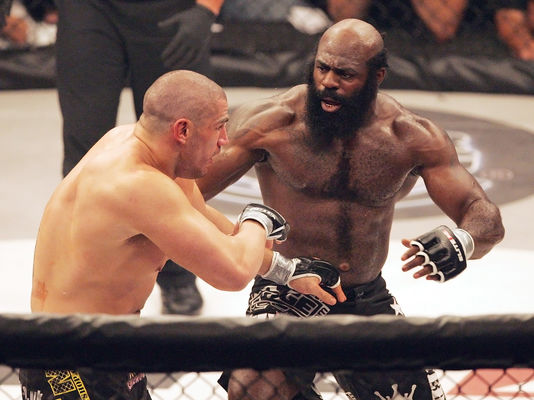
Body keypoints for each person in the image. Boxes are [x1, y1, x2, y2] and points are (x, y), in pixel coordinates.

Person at [197, 19, 505, 400]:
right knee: (253, 387)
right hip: (287, 288)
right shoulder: (271, 124)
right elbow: (186, 194)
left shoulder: (409, 137)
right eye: (322, 67)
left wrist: (464, 241)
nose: (328, 82)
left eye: (345, 74)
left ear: (377, 77)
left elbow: (484, 215)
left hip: (364, 295)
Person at [19, 70, 345, 400]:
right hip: (71, 361)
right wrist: (258, 219)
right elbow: (232, 272)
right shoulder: (137, 185)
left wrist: (288, 270)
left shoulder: (145, 152)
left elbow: (215, 234)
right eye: (219, 126)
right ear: (183, 130)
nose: (224, 140)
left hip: (110, 348)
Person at [55, 0, 226, 316]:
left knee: (178, 143)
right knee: (84, 145)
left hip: (170, 8)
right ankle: (79, 276)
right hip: (89, 7)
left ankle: (178, 274)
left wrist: (207, 8)